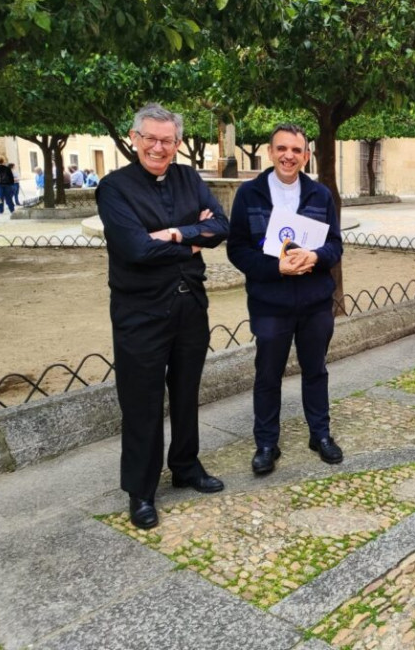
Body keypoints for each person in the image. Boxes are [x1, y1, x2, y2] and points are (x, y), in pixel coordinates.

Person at [96, 103, 229, 530]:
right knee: (142, 402)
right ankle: (141, 489)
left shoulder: (190, 178)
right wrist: (195, 237)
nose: (158, 147)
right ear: (134, 138)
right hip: (140, 312)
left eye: (167, 140)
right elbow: (134, 248)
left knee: (188, 392)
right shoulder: (114, 188)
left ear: (177, 143)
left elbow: (222, 227)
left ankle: (186, 465)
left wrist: (175, 234)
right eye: (150, 138)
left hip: (190, 305)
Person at [226, 123, 344, 474]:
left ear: (306, 156)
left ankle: (320, 434)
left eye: (296, 150)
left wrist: (316, 258)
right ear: (270, 151)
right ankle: (266, 443)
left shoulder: (320, 195)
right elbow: (237, 249)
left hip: (315, 302)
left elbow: (335, 244)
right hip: (270, 303)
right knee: (267, 374)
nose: (288, 156)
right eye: (282, 149)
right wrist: (276, 268)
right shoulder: (250, 194)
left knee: (316, 370)